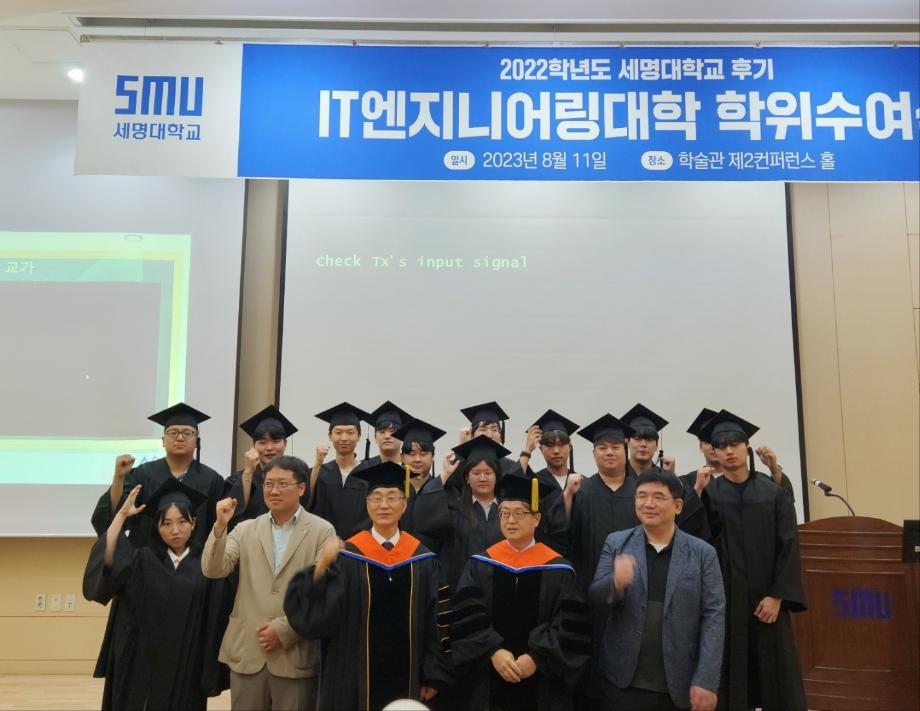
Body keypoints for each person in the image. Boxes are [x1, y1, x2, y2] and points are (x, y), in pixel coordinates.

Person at [284, 461, 452, 711]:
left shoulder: (423, 559)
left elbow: (436, 621)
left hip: (410, 678)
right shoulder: (346, 556)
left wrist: (432, 675)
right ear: (367, 504)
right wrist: (321, 568)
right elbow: (315, 619)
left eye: (392, 498)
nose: (384, 505)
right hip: (352, 680)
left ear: (404, 505)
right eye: (376, 498)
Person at [202, 456, 336, 711]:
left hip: (295, 654)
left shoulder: (322, 531)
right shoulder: (245, 528)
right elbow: (214, 569)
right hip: (248, 650)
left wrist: (285, 629)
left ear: (301, 488)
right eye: (269, 484)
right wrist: (220, 526)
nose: (274, 490)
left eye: (283, 484)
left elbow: (322, 592)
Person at [83, 477, 227, 710]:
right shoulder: (142, 559)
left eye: (182, 521)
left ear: (194, 523)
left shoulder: (207, 564)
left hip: (186, 664)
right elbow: (108, 567)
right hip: (140, 663)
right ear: (157, 527)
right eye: (166, 523)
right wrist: (121, 516)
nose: (175, 530)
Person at [696, 410, 807, 711]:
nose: (729, 451)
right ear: (714, 453)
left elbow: (788, 545)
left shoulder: (772, 493)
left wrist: (777, 596)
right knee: (732, 680)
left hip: (766, 603)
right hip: (727, 604)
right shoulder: (710, 495)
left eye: (735, 443)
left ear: (746, 447)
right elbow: (701, 545)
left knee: (776, 678)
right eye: (721, 446)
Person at [451, 474, 591, 711]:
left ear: (536, 519)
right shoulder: (480, 564)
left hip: (543, 686)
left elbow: (570, 626)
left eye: (519, 513)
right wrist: (493, 651)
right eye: (504, 513)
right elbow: (467, 617)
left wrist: (538, 658)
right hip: (489, 680)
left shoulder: (559, 569)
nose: (510, 520)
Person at [589, 470, 725, 711]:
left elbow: (714, 617)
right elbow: (596, 598)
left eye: (658, 497)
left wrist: (706, 679)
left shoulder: (703, 553)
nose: (648, 504)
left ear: (678, 506)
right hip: (622, 679)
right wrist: (616, 583)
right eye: (642, 496)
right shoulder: (617, 543)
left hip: (679, 680)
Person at [91, 402, 226, 551]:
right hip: (146, 559)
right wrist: (118, 478)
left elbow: (219, 527)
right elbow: (114, 516)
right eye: (173, 432)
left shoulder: (212, 480)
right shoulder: (143, 474)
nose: (180, 438)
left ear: (197, 442)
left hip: (195, 560)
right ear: (163, 441)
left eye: (187, 433)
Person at [412, 435, 511, 590]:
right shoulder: (454, 508)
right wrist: (445, 474)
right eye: (476, 473)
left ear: (497, 477)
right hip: (461, 592)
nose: (482, 478)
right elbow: (423, 516)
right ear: (467, 478)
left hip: (501, 588)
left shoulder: (509, 512)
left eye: (488, 473)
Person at [225, 404, 297, 528]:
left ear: (285, 443)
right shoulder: (237, 479)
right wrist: (248, 472)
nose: (269, 448)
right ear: (253, 446)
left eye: (275, 441)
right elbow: (231, 517)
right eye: (262, 442)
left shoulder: (296, 479)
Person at [309, 402, 373, 539]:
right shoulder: (320, 471)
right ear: (330, 436)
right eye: (338, 432)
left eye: (350, 432)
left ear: (359, 436)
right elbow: (306, 503)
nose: (344, 438)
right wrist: (317, 464)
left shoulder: (369, 473)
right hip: (324, 543)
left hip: (360, 546)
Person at [459, 401, 530, 476]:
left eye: (494, 430)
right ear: (472, 435)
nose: (489, 435)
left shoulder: (510, 466)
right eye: (483, 430)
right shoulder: (461, 463)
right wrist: (462, 446)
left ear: (500, 436)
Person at [352, 400, 413, 472]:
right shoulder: (362, 470)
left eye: (392, 431)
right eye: (382, 432)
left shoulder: (414, 469)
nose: (387, 436)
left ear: (402, 436)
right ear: (375, 437)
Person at [621, 403, 676, 476]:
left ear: (657, 446)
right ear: (627, 442)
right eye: (637, 439)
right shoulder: (614, 475)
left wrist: (671, 477)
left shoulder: (663, 477)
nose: (643, 444)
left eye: (649, 440)